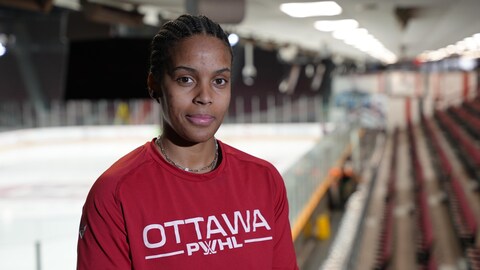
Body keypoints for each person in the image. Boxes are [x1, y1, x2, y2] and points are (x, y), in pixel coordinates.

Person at [77, 14, 299, 269]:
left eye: (219, 81)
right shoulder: (114, 195)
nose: (205, 96)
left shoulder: (265, 180)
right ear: (154, 84)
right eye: (186, 79)